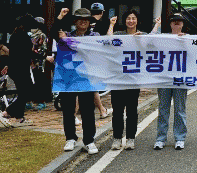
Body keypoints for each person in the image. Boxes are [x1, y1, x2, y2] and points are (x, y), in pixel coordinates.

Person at [51, 8, 100, 154]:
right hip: (68, 76)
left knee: (87, 109)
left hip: (86, 77)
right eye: (80, 19)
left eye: (86, 19)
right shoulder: (66, 35)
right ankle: (70, 138)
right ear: (75, 21)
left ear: (89, 22)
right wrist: (60, 17)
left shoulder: (94, 36)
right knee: (68, 109)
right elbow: (52, 32)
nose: (83, 21)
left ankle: (89, 140)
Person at [107, 9, 146, 151]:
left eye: (133, 18)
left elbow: (152, 46)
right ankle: (117, 138)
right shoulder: (119, 34)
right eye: (128, 18)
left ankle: (130, 138)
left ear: (137, 21)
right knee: (117, 110)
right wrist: (111, 24)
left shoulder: (142, 35)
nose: (131, 21)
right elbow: (108, 40)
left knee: (132, 110)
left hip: (133, 79)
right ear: (124, 21)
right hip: (117, 78)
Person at [152, 13, 189, 150]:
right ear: (170, 24)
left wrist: (186, 41)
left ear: (183, 24)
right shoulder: (163, 37)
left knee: (180, 109)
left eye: (179, 21)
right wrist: (157, 25)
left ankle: (180, 138)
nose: (177, 23)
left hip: (181, 79)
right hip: (164, 78)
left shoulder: (188, 38)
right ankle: (160, 138)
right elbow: (150, 39)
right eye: (174, 21)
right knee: (163, 109)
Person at [0, 15, 39, 128]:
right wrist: (43, 56)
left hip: (17, 67)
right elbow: (26, 53)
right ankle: (7, 112)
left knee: (23, 92)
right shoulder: (21, 36)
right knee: (27, 91)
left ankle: (19, 117)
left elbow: (14, 53)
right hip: (20, 68)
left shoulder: (16, 35)